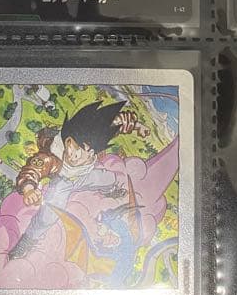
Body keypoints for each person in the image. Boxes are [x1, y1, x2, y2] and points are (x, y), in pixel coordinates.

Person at [9, 100, 148, 259]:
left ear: (93, 152)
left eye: (82, 152)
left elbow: (115, 123)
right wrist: (29, 189)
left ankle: (111, 190)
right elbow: (32, 170)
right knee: (49, 214)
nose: (73, 155)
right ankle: (27, 241)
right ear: (68, 140)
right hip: (62, 181)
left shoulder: (96, 140)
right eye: (72, 146)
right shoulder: (51, 157)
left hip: (84, 175)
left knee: (108, 178)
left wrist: (137, 126)